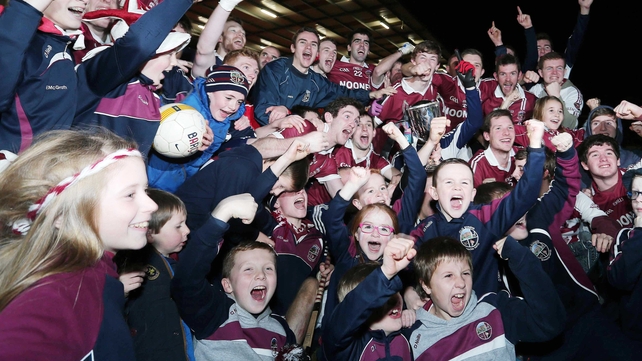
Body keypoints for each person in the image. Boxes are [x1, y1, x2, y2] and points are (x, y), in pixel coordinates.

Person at [0, 129, 158, 359]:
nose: (152, 205)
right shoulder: (54, 298)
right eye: (130, 195)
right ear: (62, 216)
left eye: (145, 190)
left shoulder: (95, 274)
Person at [0, 0, 194, 154]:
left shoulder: (62, 47)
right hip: (16, 179)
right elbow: (139, 44)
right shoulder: (25, 45)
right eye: (167, 54)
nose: (85, 0)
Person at [411, 119, 546, 295]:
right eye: (449, 182)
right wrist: (409, 292)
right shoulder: (423, 231)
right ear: (434, 193)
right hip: (442, 315)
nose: (457, 187)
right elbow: (403, 269)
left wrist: (535, 145)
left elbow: (524, 196)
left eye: (464, 182)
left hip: (484, 312)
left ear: (473, 194)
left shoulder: (486, 217)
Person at [170, 194, 297, 360]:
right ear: (227, 285)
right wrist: (223, 214)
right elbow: (186, 281)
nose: (261, 275)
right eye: (248, 269)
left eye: (268, 268)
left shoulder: (282, 329)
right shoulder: (215, 313)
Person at [404, 236, 566, 360]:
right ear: (426, 285)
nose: (461, 283)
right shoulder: (413, 334)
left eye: (465, 273)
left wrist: (521, 259)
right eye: (448, 275)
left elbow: (550, 323)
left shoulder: (494, 310)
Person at [72, 4, 192, 156]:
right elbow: (139, 44)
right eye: (169, 55)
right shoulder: (103, 76)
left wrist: (193, 131)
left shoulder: (152, 94)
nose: (174, 63)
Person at [115, 188, 195, 361]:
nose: (187, 230)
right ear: (149, 232)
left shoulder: (175, 264)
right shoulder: (132, 262)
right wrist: (119, 290)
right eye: (178, 226)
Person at [251, 27, 387, 126]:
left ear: (316, 52)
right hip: (267, 135)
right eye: (303, 42)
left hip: (298, 138)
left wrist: (370, 95)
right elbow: (264, 111)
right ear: (293, 48)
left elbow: (343, 93)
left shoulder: (317, 82)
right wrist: (288, 117)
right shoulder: (276, 69)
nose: (308, 47)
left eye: (314, 44)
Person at [146, 65, 250, 193]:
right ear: (210, 91)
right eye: (228, 98)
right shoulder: (184, 103)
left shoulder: (225, 122)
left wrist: (203, 149)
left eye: (239, 101)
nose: (234, 106)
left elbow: (194, 164)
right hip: (146, 175)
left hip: (175, 187)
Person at [321, 237, 416, 361]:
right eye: (383, 297)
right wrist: (385, 273)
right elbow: (349, 312)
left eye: (393, 291)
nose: (394, 300)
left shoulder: (405, 340)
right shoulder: (347, 348)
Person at [608, 168, 642, 353]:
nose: (639, 199)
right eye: (635, 193)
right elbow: (620, 280)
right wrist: (640, 235)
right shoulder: (625, 236)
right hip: (635, 334)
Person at [579, 134, 639, 229]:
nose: (603, 159)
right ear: (585, 165)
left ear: (618, 160)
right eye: (595, 155)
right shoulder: (587, 202)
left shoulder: (637, 176)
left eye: (609, 153)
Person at [525, 52, 584, 129]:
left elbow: (569, 125)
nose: (554, 72)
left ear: (564, 72)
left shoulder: (572, 92)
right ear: (541, 73)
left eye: (559, 68)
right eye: (549, 68)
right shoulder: (536, 89)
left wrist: (556, 96)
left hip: (562, 139)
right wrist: (522, 79)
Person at [478, 54, 538, 124]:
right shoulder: (485, 89)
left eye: (512, 73)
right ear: (496, 76)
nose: (508, 79)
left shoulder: (530, 99)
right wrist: (507, 101)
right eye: (503, 74)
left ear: (519, 76)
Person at [469, 109, 517, 187]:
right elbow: (469, 197)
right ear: (487, 136)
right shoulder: (478, 164)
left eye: (510, 127)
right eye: (498, 128)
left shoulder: (522, 155)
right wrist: (482, 192)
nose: (506, 133)